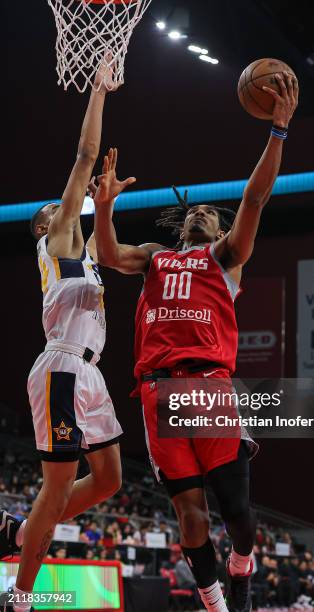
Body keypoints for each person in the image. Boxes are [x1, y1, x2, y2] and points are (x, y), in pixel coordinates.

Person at [93, 73, 298, 612]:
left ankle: (242, 562)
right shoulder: (156, 257)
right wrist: (107, 207)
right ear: (184, 226)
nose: (202, 212)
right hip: (157, 393)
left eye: (211, 210)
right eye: (196, 211)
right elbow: (110, 256)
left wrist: (277, 132)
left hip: (207, 388)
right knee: (190, 518)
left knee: (236, 512)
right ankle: (218, 604)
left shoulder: (225, 258)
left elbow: (253, 200)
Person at [0, 60, 124, 612]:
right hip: (62, 366)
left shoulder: (81, 252)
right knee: (57, 487)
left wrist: (109, 204)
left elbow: (106, 247)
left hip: (89, 372)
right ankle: (20, 597)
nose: (63, 203)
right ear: (45, 227)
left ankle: (22, 531)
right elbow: (84, 157)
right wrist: (98, 91)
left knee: (109, 482)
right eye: (57, 207)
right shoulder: (57, 242)